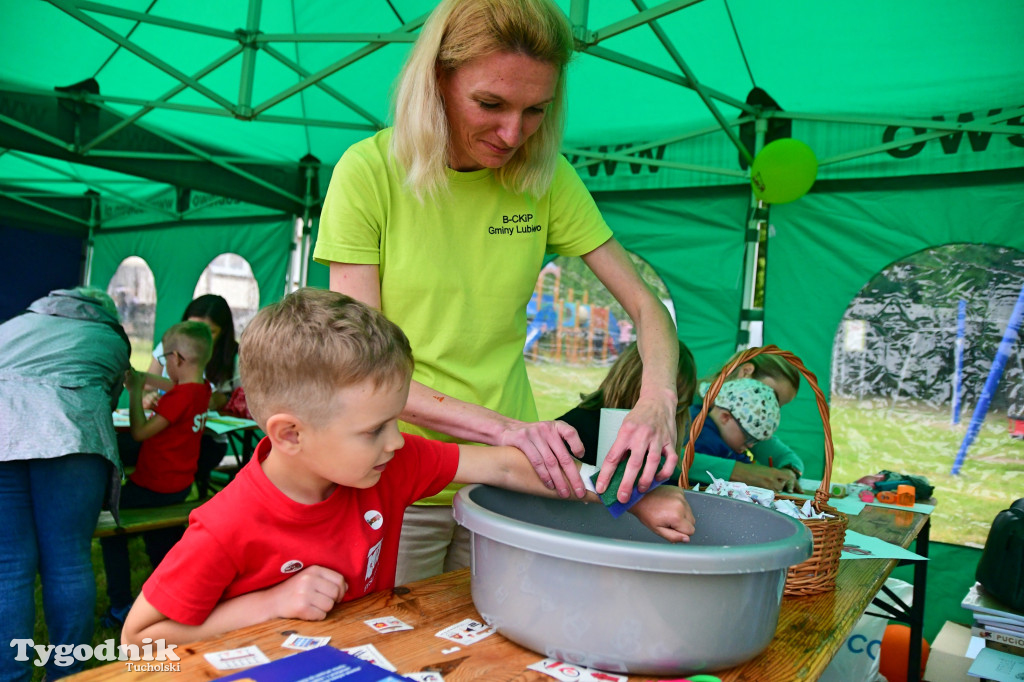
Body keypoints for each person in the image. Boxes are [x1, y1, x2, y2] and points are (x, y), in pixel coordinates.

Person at [313, 0, 681, 586]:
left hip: (506, 480)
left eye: (536, 110)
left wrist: (657, 400)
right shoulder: (369, 172)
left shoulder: (547, 176)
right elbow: (363, 369)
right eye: (490, 104)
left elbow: (647, 307)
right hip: (396, 474)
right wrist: (507, 429)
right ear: (437, 78)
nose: (514, 133)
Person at [120, 288, 695, 645]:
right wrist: (268, 605)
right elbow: (137, 643)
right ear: (290, 434)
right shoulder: (225, 527)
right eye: (375, 428)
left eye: (397, 418)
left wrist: (629, 495)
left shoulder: (387, 464)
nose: (399, 441)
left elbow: (505, 467)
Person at [0, 287, 131, 681]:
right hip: (71, 437)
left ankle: (10, 675)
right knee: (69, 564)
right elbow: (109, 402)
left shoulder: (13, 326)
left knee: (7, 568)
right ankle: (66, 673)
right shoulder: (111, 339)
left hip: (3, 435)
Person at [100, 321, 213, 627]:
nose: (163, 367)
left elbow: (138, 432)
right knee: (161, 543)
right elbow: (173, 386)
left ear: (177, 359)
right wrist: (142, 379)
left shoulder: (178, 398)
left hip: (154, 485)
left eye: (164, 360)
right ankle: (171, 600)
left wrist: (135, 393)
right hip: (178, 486)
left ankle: (121, 605)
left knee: (110, 523)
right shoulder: (201, 390)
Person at [144, 294, 241, 498]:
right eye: (192, 327)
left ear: (223, 333)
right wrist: (149, 396)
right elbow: (148, 383)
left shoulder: (232, 356)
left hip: (204, 438)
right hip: (163, 432)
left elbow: (230, 397)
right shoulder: (170, 344)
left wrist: (211, 400)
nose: (197, 336)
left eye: (209, 332)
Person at [558, 341, 697, 467]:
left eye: (677, 408)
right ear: (637, 383)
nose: (668, 416)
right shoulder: (576, 429)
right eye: (666, 405)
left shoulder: (652, 439)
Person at [691, 352, 805, 492]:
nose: (771, 406)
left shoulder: (748, 424)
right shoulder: (682, 402)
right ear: (746, 372)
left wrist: (789, 472)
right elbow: (666, 460)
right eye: (771, 394)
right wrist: (742, 472)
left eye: (778, 406)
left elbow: (787, 458)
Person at [684, 379, 781, 465]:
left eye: (755, 441)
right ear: (725, 417)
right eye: (749, 438)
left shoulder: (701, 417)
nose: (750, 445)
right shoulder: (703, 441)